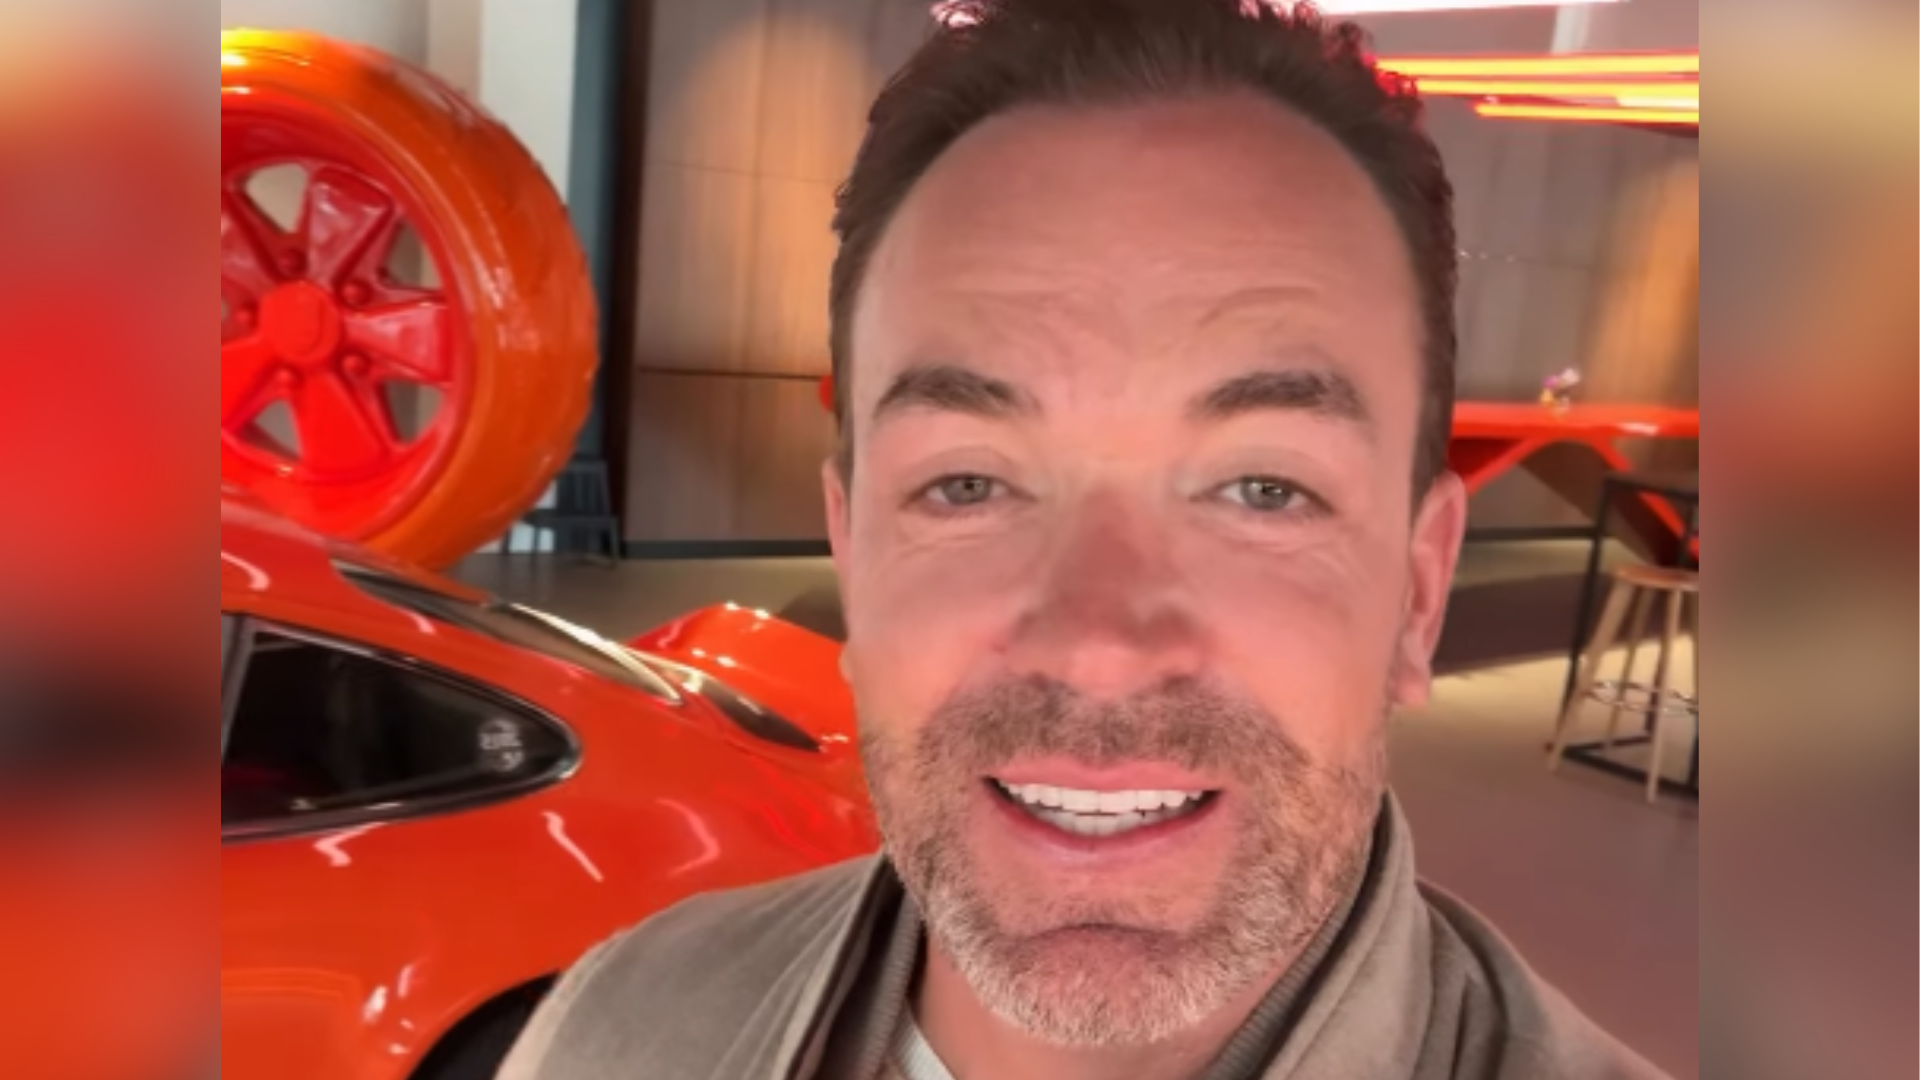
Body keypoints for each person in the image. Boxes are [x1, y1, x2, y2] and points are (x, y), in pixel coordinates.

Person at [499, 1, 1672, 1077]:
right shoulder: (618, 1031)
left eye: (1263, 489)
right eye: (968, 484)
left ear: (1417, 594)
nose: (1097, 648)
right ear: (854, 559)